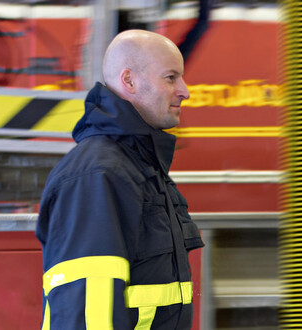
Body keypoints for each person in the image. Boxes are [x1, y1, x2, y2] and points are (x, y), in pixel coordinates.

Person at [36, 29, 204, 329]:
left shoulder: (139, 165)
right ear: (129, 81)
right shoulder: (98, 174)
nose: (185, 90)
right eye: (171, 77)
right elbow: (88, 313)